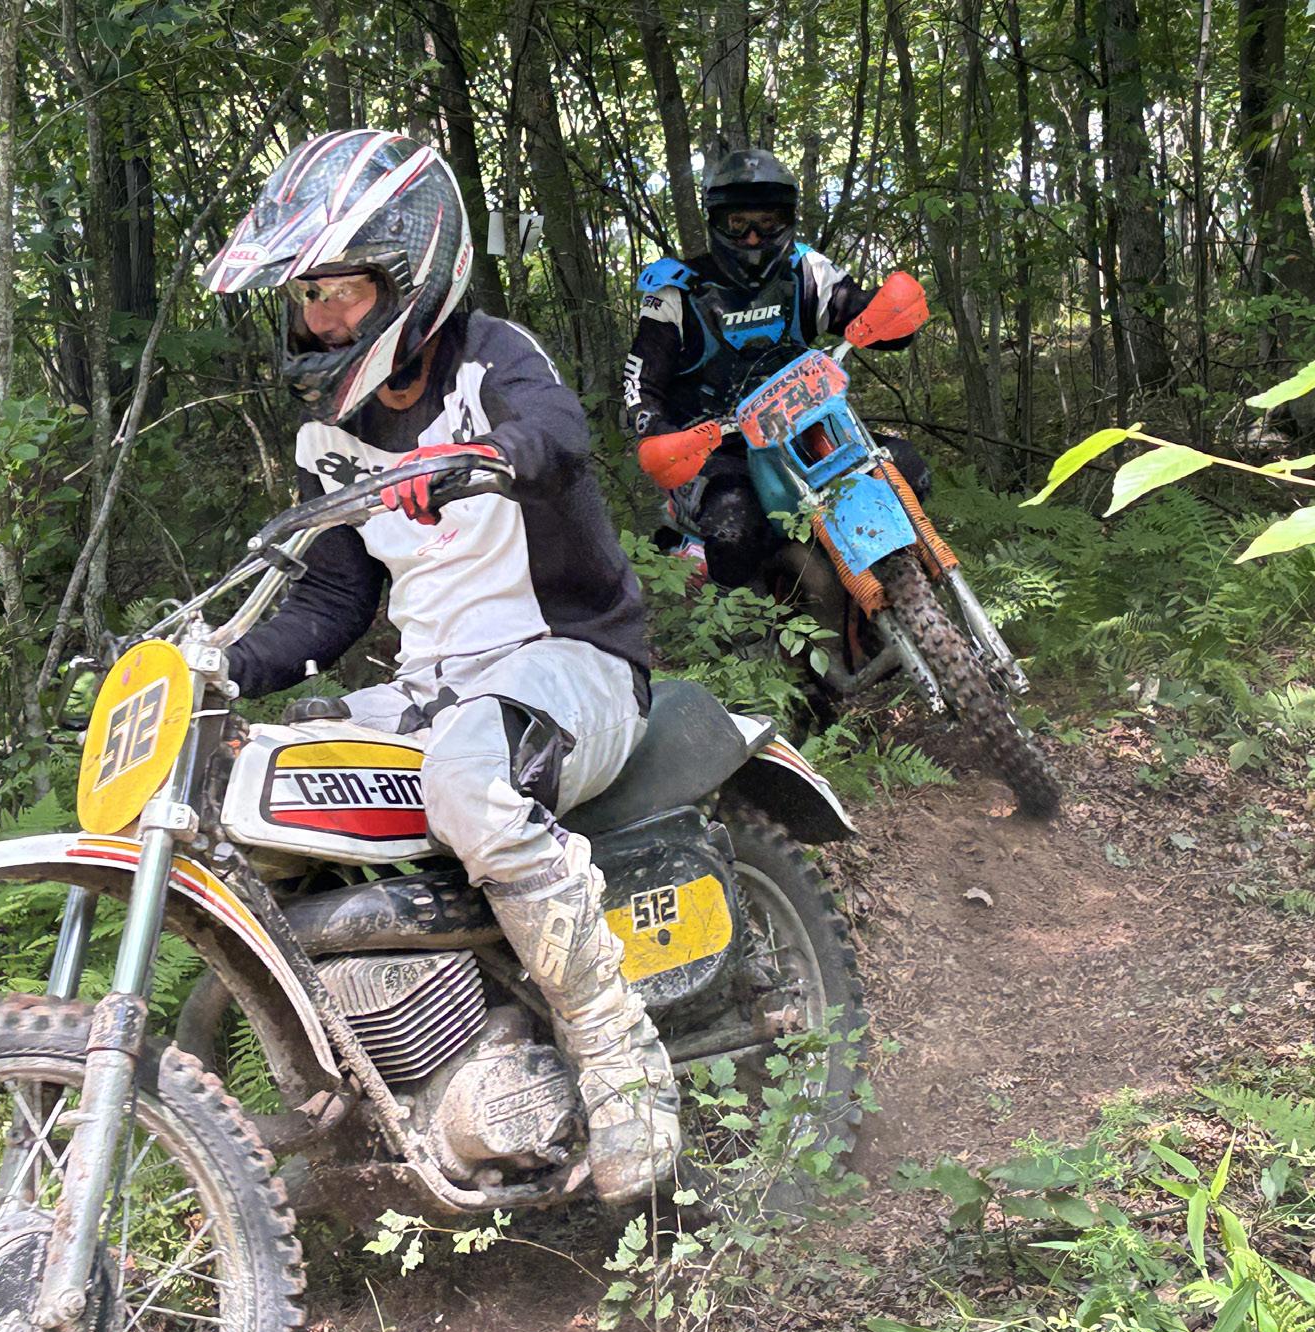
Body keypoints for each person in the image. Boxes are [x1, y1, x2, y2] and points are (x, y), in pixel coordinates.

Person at [202, 130, 676, 1204]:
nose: (320, 317)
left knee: (469, 773)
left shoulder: (494, 359)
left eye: (339, 289)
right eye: (307, 295)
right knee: (252, 778)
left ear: (409, 276)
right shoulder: (330, 437)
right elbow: (331, 602)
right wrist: (219, 661)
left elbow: (555, 435)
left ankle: (617, 1052)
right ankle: (366, 1076)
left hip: (572, 663)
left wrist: (480, 456)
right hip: (432, 691)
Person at [621, 148, 931, 588]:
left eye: (766, 223)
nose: (752, 238)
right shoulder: (678, 292)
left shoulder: (806, 271)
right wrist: (655, 430)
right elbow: (640, 382)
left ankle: (902, 583)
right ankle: (742, 619)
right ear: (717, 222)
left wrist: (892, 315)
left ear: (786, 219)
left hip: (805, 430)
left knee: (908, 471)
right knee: (733, 533)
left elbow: (857, 309)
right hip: (717, 450)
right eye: (739, 223)